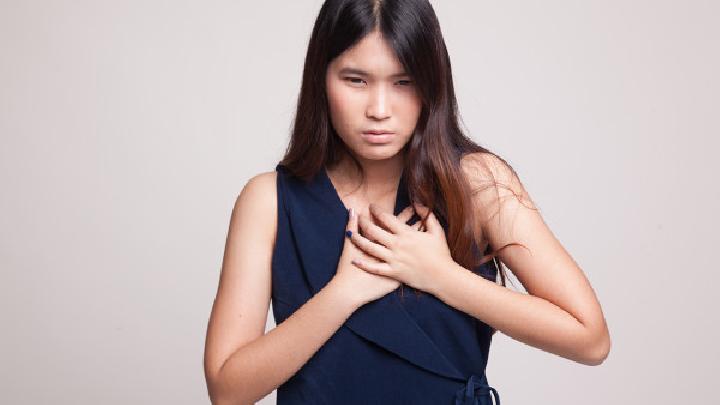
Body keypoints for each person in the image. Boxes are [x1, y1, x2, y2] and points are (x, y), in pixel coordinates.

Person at [203, 1, 611, 404]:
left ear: (432, 83)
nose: (379, 110)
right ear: (320, 78)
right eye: (355, 80)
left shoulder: (476, 183)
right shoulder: (269, 201)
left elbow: (590, 340)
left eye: (403, 82)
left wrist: (441, 277)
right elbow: (227, 390)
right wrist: (342, 294)